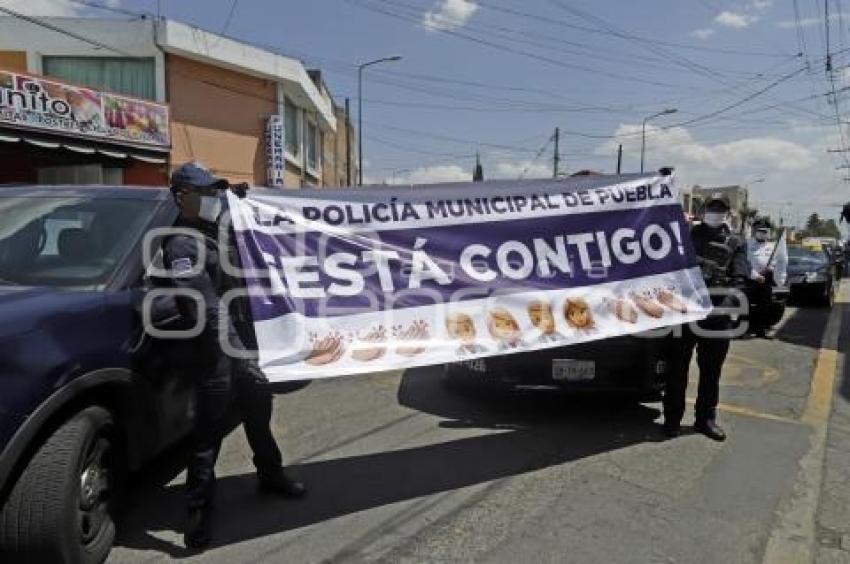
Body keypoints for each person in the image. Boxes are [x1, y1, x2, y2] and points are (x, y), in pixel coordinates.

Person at [161, 161, 305, 549]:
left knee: (259, 414)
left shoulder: (220, 229)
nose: (212, 198)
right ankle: (197, 512)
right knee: (207, 434)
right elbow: (205, 309)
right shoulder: (182, 242)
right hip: (214, 351)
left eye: (214, 192)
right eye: (204, 193)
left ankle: (270, 474)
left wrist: (251, 204)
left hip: (244, 340)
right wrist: (239, 355)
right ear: (182, 197)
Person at [663, 193, 749, 441]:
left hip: (716, 314)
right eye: (712, 207)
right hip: (684, 311)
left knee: (711, 372)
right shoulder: (684, 235)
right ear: (702, 210)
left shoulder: (736, 242)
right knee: (676, 370)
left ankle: (705, 420)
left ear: (727, 213)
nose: (716, 212)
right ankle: (671, 420)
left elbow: (740, 280)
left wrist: (725, 306)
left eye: (720, 208)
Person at [745, 218, 787, 338]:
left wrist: (772, 269)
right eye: (760, 230)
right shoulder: (747, 244)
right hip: (751, 279)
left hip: (767, 280)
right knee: (745, 305)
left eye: (765, 231)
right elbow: (744, 263)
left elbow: (779, 261)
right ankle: (744, 330)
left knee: (764, 307)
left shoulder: (773, 246)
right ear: (755, 231)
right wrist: (755, 275)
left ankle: (761, 331)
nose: (762, 233)